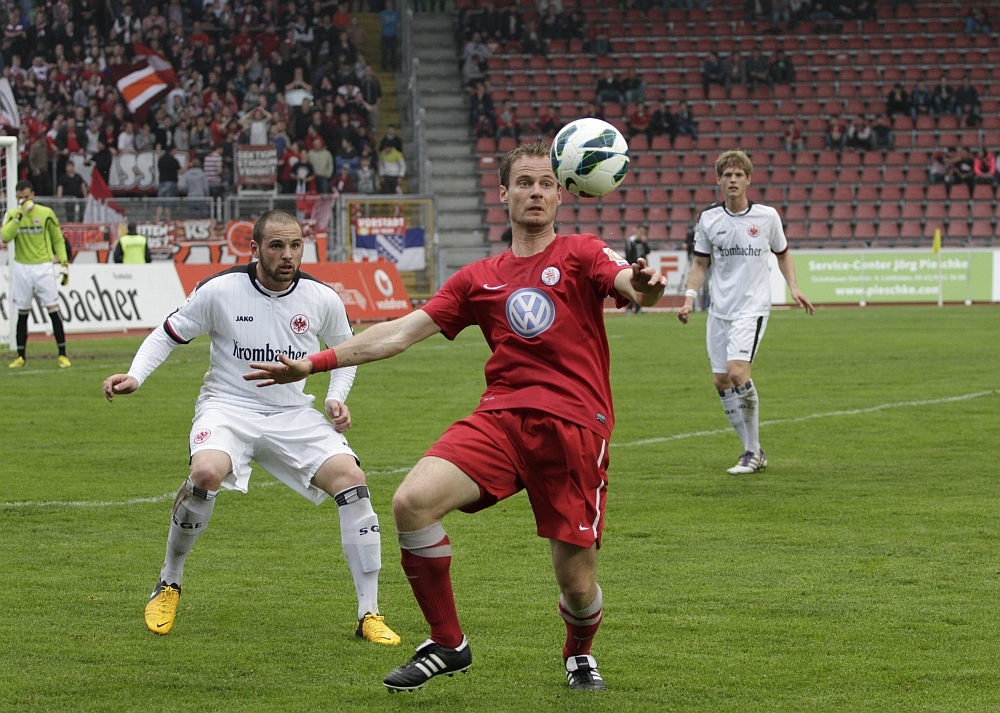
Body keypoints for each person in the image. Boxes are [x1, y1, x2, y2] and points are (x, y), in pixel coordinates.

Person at [244, 141, 667, 693]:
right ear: (504, 194)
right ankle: (448, 642)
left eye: (546, 183)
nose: (535, 192)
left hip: (574, 429)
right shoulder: (478, 278)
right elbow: (400, 332)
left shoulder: (582, 252)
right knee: (412, 502)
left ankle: (579, 653)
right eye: (524, 182)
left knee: (577, 584)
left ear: (561, 194)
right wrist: (313, 362)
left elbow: (629, 284)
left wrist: (644, 288)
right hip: (502, 419)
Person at [100, 210, 400, 647]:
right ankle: (169, 581)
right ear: (255, 248)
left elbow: (346, 353)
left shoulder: (321, 298)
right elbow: (167, 333)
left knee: (352, 481)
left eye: (295, 245)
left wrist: (336, 397)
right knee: (206, 473)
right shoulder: (220, 290)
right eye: (277, 246)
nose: (288, 255)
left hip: (292, 414)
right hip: (228, 407)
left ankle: (369, 613)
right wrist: (135, 376)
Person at [677, 150, 814, 475]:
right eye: (727, 175)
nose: (733, 180)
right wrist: (689, 298)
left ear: (749, 179)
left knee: (738, 372)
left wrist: (794, 287)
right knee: (721, 380)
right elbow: (700, 264)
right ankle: (753, 451)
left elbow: (783, 254)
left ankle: (752, 451)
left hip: (752, 308)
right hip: (719, 310)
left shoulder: (767, 217)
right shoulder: (709, 219)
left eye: (739, 175)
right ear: (719, 180)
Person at [2, 180, 71, 369]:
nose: (23, 201)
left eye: (26, 197)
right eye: (20, 198)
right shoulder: (12, 215)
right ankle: (21, 356)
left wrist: (64, 262)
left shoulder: (46, 213)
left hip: (43, 267)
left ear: (32, 194)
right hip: (22, 268)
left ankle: (62, 354)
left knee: (53, 310)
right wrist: (19, 216)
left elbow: (57, 239)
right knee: (22, 313)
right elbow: (6, 237)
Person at [624, 225, 651, 314]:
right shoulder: (631, 241)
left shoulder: (643, 241)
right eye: (641, 232)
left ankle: (638, 308)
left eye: (643, 232)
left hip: (643, 267)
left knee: (641, 287)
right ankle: (629, 308)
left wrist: (645, 243)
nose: (642, 234)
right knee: (633, 287)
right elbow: (628, 254)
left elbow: (648, 251)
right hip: (633, 266)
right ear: (637, 231)